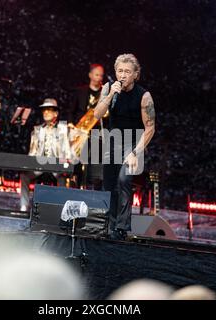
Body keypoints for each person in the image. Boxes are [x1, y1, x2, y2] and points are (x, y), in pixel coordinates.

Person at [94, 54, 156, 240]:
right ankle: (110, 226)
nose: (123, 75)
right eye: (120, 71)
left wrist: (136, 152)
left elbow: (150, 128)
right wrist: (112, 93)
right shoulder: (108, 89)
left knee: (123, 181)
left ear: (136, 75)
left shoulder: (144, 96)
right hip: (113, 142)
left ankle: (121, 228)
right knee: (109, 185)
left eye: (127, 72)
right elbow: (97, 114)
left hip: (134, 144)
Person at [19, 98, 73, 212]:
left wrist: (65, 164)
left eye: (49, 110)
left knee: (62, 177)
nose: (45, 112)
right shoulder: (37, 130)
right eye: (44, 110)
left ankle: (61, 209)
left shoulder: (63, 129)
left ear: (56, 113)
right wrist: (28, 164)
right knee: (24, 175)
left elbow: (67, 150)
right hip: (40, 165)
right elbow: (32, 152)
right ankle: (24, 206)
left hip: (56, 165)